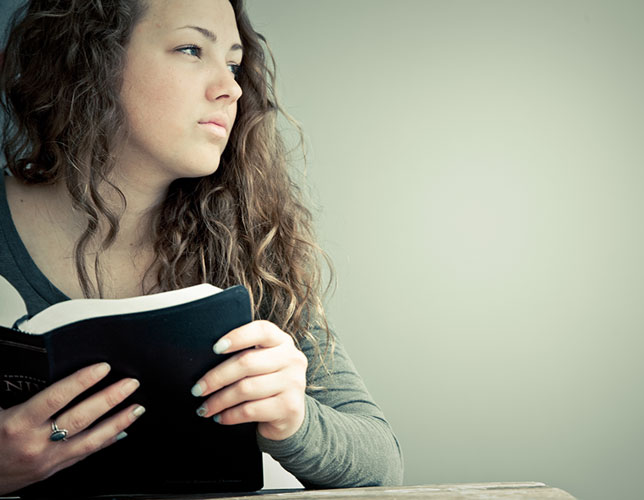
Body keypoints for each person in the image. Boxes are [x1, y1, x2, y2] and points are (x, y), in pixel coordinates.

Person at [0, 0, 403, 494]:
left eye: (234, 63)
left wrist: (294, 420)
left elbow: (381, 463)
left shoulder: (250, 246)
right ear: (90, 61)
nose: (231, 87)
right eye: (192, 49)